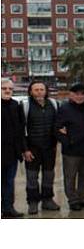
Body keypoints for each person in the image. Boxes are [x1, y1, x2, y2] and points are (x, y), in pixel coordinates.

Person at [55, 83, 84, 211]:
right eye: (76, 94)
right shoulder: (64, 108)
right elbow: (56, 128)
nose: (79, 96)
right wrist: (68, 141)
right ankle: (73, 200)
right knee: (70, 176)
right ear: (71, 95)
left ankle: (82, 197)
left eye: (82, 94)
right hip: (71, 151)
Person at [21, 80, 60, 214]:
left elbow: (57, 125)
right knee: (32, 177)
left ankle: (47, 200)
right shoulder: (25, 106)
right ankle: (32, 202)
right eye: (36, 89)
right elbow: (21, 130)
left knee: (49, 175)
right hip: (32, 149)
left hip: (49, 148)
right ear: (31, 91)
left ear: (46, 91)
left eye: (41, 89)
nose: (39, 92)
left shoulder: (53, 104)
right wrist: (25, 150)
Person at [1, 79, 26, 218]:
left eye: (10, 88)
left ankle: (8, 208)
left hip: (12, 153)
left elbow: (21, 129)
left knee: (9, 182)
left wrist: (22, 149)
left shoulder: (16, 105)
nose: (7, 91)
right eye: (3, 88)